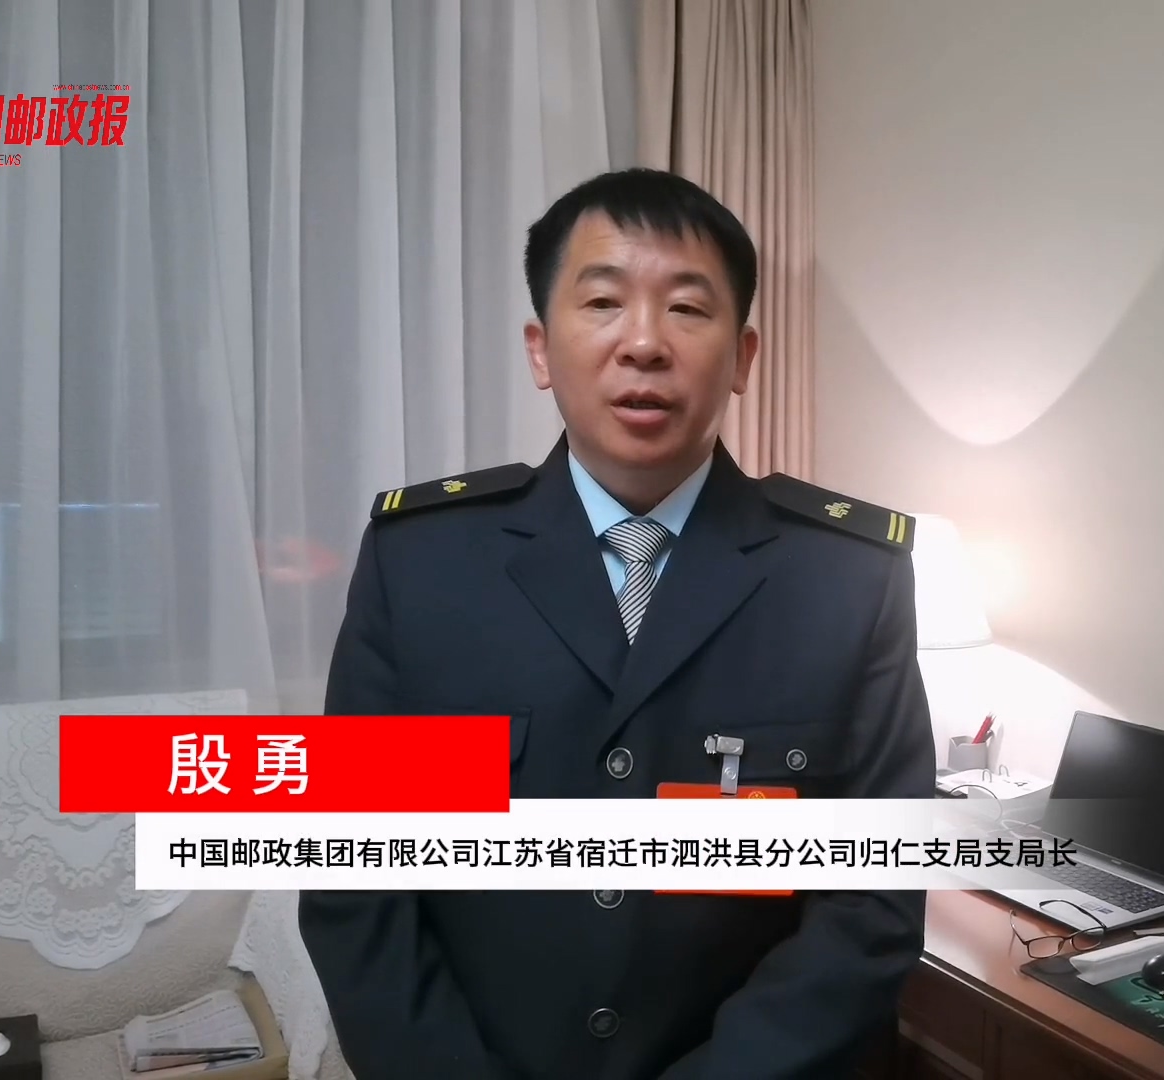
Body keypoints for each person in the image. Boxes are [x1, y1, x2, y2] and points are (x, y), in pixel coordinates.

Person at [299, 167, 936, 1079]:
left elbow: (871, 901)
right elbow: (355, 881)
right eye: (603, 302)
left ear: (743, 357)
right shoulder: (422, 563)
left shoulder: (849, 580)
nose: (643, 344)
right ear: (540, 350)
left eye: (687, 309)